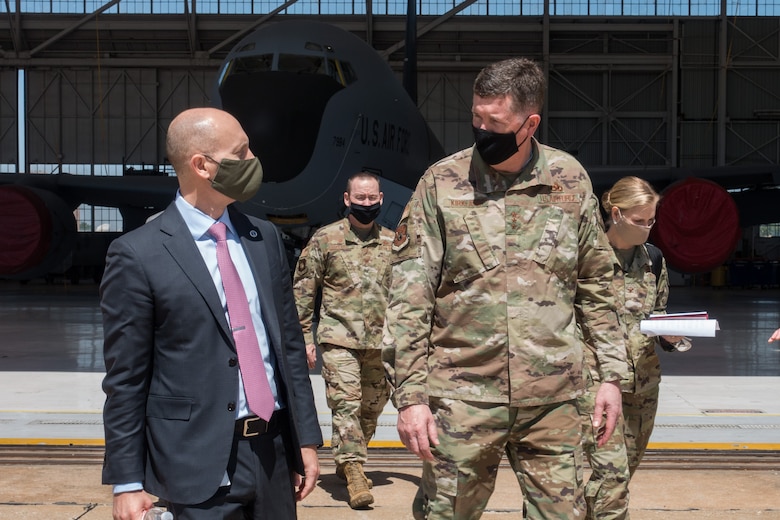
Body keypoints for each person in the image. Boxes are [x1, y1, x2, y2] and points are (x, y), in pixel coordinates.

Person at [382, 57, 628, 520]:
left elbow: (597, 286)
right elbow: (408, 300)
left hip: (555, 400)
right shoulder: (442, 183)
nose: (481, 129)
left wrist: (611, 377)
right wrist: (411, 399)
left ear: (529, 123)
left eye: (495, 122)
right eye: (476, 117)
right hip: (463, 399)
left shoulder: (570, 180)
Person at [100, 107, 322, 520]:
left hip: (273, 454)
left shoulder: (264, 237)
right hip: (195, 461)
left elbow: (288, 346)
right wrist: (128, 481)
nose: (253, 159)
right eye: (241, 152)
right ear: (201, 165)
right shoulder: (137, 254)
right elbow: (126, 379)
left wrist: (305, 439)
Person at [580, 176, 690, 519]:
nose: (647, 228)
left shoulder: (653, 259)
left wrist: (672, 335)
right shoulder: (584, 257)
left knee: (619, 476)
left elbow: (657, 311)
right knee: (612, 478)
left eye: (651, 221)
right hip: (595, 383)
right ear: (616, 213)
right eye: (639, 220)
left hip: (643, 385)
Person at [292, 172, 393, 509]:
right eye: (359, 198)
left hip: (380, 343)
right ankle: (353, 471)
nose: (366, 203)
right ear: (347, 199)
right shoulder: (325, 240)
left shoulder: (394, 243)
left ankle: (349, 455)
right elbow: (304, 292)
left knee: (372, 407)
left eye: (371, 198)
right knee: (346, 404)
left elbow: (409, 295)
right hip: (339, 340)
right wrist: (304, 336)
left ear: (380, 199)